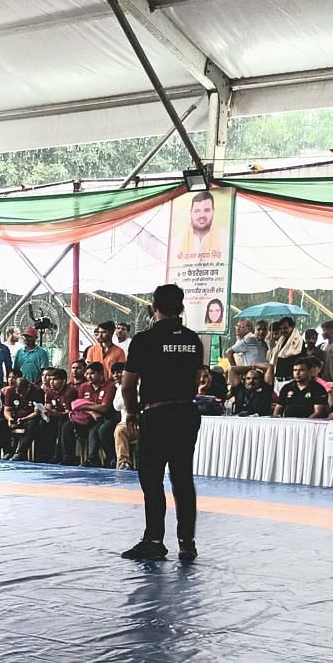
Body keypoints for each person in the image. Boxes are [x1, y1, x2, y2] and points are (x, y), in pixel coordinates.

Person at [120, 284, 205, 562]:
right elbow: (195, 381)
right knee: (182, 478)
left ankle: (155, 540)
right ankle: (187, 542)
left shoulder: (144, 340)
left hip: (156, 414)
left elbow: (128, 385)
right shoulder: (193, 340)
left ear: (153, 307)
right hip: (186, 413)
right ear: (181, 308)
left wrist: (131, 413)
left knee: (152, 478)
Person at [175, 190, 222, 258]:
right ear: (190, 213)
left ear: (213, 212)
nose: (202, 215)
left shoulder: (224, 239)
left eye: (207, 210)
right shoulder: (177, 241)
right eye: (197, 211)